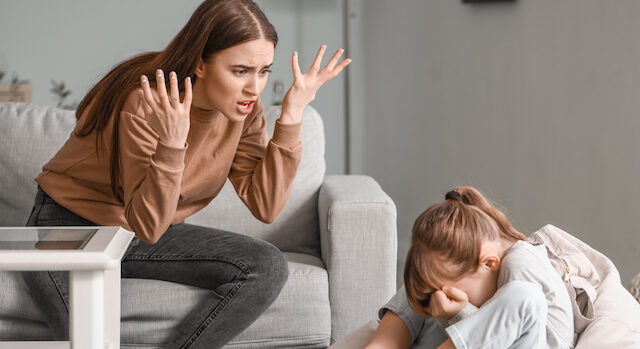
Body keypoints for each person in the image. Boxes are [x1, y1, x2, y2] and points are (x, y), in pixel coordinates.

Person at [23, 0, 351, 348]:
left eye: (264, 71)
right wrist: (173, 144)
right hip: (69, 226)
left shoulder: (245, 113)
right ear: (201, 64)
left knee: (267, 266)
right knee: (89, 338)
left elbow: (265, 205)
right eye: (240, 71)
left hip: (144, 228)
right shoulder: (145, 102)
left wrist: (292, 114)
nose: (254, 88)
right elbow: (146, 225)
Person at [365, 187, 575, 349]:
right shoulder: (483, 264)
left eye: (451, 294)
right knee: (426, 277)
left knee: (524, 296)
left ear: (489, 263)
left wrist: (460, 314)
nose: (442, 299)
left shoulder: (519, 266)